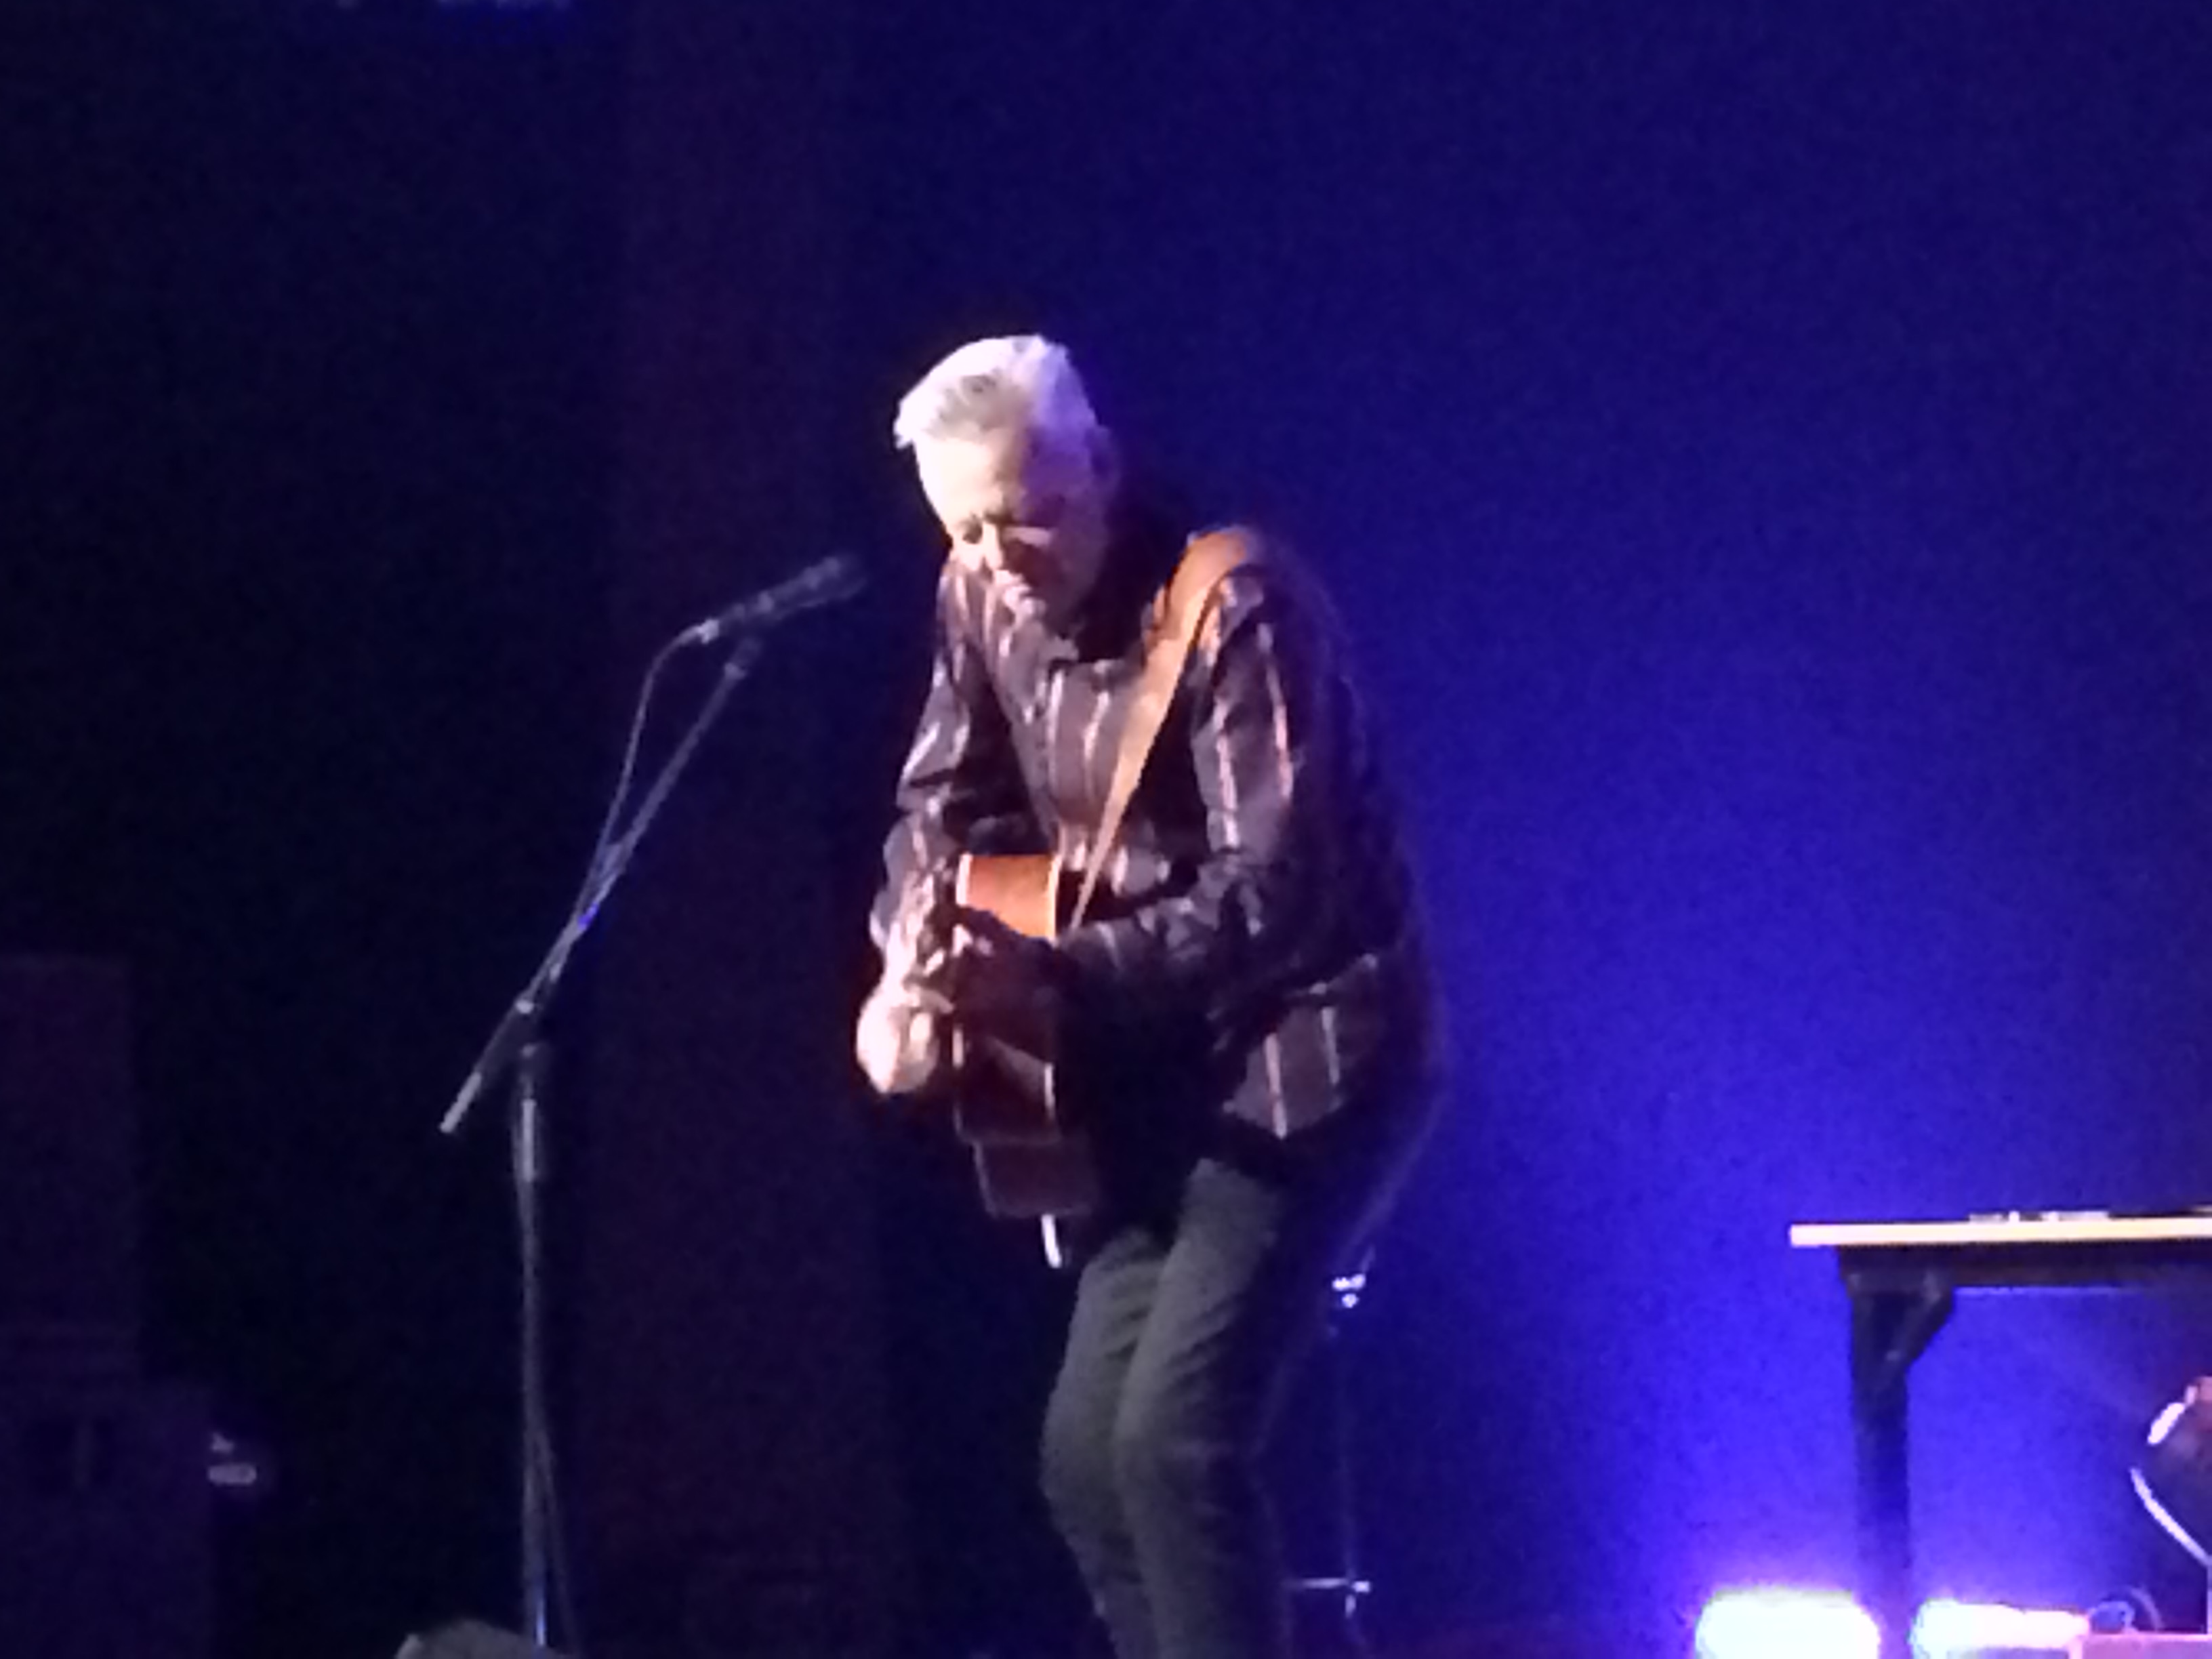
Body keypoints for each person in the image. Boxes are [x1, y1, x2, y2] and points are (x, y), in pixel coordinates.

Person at [855, 334, 1439, 1659]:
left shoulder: (1236, 601)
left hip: (1312, 1053)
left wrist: (1051, 974)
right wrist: (909, 965)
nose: (996, 557)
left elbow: (1275, 896)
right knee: (1082, 1460)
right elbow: (938, 808)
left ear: (1102, 468)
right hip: (1152, 1076)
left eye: (1025, 517)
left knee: (1176, 1443)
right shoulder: (977, 590)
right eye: (963, 530)